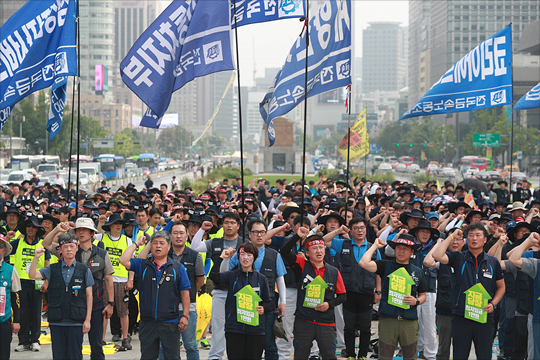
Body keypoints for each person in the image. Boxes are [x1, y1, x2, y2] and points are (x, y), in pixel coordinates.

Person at [42, 218, 115, 360]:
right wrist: (58, 229)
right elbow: (46, 243)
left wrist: (110, 303)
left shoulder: (102, 254)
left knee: (97, 345)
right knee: (73, 347)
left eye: (85, 230)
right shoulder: (68, 249)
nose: (81, 232)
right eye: (78, 229)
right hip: (72, 307)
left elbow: (108, 279)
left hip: (95, 306)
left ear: (92, 233)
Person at [433, 223, 505, 360]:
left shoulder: (493, 262)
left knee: (484, 356)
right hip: (461, 316)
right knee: (460, 355)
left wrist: (494, 304)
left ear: (484, 240)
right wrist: (452, 236)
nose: (474, 238)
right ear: (466, 239)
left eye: (478, 235)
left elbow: (501, 287)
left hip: (484, 316)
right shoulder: (458, 257)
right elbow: (437, 254)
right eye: (471, 235)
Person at [219, 219, 287, 360]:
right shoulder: (240, 252)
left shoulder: (275, 254)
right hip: (242, 306)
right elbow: (224, 273)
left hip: (266, 306)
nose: (259, 235)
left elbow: (280, 278)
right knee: (244, 345)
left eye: (262, 232)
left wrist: (283, 302)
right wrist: (226, 259)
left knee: (269, 344)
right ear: (249, 234)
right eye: (255, 232)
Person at [119, 231, 191, 360]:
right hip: (147, 322)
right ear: (151, 246)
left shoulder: (177, 268)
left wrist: (185, 315)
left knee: (172, 357)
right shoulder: (143, 265)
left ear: (169, 247)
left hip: (170, 322)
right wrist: (137, 244)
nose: (158, 246)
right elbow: (123, 260)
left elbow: (185, 293)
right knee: (147, 356)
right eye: (155, 243)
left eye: (162, 243)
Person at [138, 222, 205, 360]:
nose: (178, 236)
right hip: (165, 308)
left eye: (181, 233)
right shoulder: (161, 252)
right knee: (165, 346)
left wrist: (185, 294)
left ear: (187, 236)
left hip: (187, 306)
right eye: (175, 233)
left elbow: (200, 280)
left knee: (190, 344)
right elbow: (139, 260)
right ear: (170, 236)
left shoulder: (194, 255)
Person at [281, 227, 347, 360]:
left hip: (326, 322)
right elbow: (284, 252)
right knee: (300, 355)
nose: (319, 251)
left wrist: (329, 304)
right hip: (304, 321)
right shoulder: (301, 264)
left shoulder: (334, 272)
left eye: (321, 248)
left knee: (329, 356)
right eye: (314, 248)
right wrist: (296, 236)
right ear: (307, 252)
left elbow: (342, 296)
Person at [359, 232, 427, 360]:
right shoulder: (385, 265)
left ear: (412, 252)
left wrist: (416, 301)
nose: (401, 251)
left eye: (405, 249)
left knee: (410, 356)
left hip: (409, 321)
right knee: (384, 356)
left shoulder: (417, 271)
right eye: (398, 248)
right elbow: (363, 263)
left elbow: (423, 295)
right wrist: (374, 246)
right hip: (388, 319)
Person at [324, 217, 381, 359]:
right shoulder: (343, 243)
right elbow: (325, 240)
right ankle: (350, 354)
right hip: (348, 292)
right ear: (351, 230)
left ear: (366, 229)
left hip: (366, 292)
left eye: (362, 227)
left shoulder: (372, 247)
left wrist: (378, 291)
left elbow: (379, 270)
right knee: (348, 327)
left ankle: (362, 355)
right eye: (355, 228)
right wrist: (338, 230)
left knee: (365, 327)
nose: (359, 231)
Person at [29, 233, 93, 360]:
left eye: (71, 246)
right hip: (56, 321)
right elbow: (32, 275)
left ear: (76, 248)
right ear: (60, 249)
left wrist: (87, 320)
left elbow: (89, 295)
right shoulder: (52, 269)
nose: (69, 249)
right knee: (59, 356)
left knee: (75, 355)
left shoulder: (84, 270)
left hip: (76, 320)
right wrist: (36, 258)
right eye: (65, 247)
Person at [190, 212, 244, 360]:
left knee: (240, 327)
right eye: (226, 222)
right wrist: (202, 230)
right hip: (220, 290)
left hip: (241, 291)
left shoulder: (244, 243)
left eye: (233, 222)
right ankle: (215, 356)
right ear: (222, 225)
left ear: (238, 226)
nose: (229, 225)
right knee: (219, 327)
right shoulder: (214, 242)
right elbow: (195, 247)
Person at [209, 242, 272, 360]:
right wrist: (221, 258)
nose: (245, 258)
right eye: (242, 254)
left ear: (254, 257)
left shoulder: (261, 279)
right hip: (234, 328)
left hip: (255, 330)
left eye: (249, 255)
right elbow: (214, 276)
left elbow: (267, 301)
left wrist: (263, 308)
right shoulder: (232, 276)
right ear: (238, 257)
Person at [8, 216, 50, 352]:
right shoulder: (17, 243)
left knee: (36, 311)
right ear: (25, 228)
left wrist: (46, 281)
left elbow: (47, 263)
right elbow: (4, 248)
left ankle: (35, 340)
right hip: (21, 282)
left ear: (37, 229)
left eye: (33, 226)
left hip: (37, 281)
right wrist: (8, 238)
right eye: (28, 226)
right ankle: (23, 340)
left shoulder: (43, 244)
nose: (30, 228)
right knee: (22, 312)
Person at [423, 228, 465, 360]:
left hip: (463, 311)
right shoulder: (442, 261)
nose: (455, 242)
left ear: (464, 242)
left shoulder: (467, 259)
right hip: (445, 310)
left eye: (458, 239)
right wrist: (438, 244)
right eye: (453, 239)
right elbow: (427, 262)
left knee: (462, 347)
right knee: (443, 348)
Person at [95, 213, 134, 349]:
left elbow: (132, 262)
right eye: (116, 223)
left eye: (120, 223)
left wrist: (130, 280)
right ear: (110, 225)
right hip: (105, 279)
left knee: (123, 311)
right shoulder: (101, 237)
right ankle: (102, 338)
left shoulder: (127, 240)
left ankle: (125, 338)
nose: (118, 225)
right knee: (104, 310)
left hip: (122, 279)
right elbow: (92, 235)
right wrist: (100, 222)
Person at [0, 234, 22, 360]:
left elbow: (16, 297)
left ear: (4, 250)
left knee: (4, 353)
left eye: (0, 246)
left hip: (4, 320)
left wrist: (17, 321)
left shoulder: (10, 270)